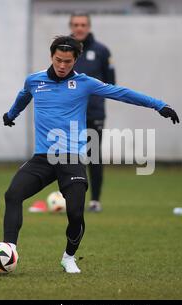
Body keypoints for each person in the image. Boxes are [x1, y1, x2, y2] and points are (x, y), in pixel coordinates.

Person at [0, 35, 179, 273]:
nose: (62, 66)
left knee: (75, 212)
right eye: (58, 60)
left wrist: (158, 105)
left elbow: (122, 92)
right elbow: (23, 97)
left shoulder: (85, 83)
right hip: (43, 158)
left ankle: (68, 257)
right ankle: (8, 251)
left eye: (68, 62)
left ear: (76, 61)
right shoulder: (34, 81)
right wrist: (10, 115)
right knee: (12, 195)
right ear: (51, 56)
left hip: (71, 158)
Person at [69, 12, 116, 212]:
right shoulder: (65, 49)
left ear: (88, 26)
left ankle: (95, 200)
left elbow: (111, 83)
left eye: (83, 24)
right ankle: (68, 199)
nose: (79, 28)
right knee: (66, 157)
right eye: (76, 24)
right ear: (71, 26)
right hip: (69, 114)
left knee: (93, 157)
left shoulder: (102, 51)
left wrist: (94, 97)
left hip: (93, 113)